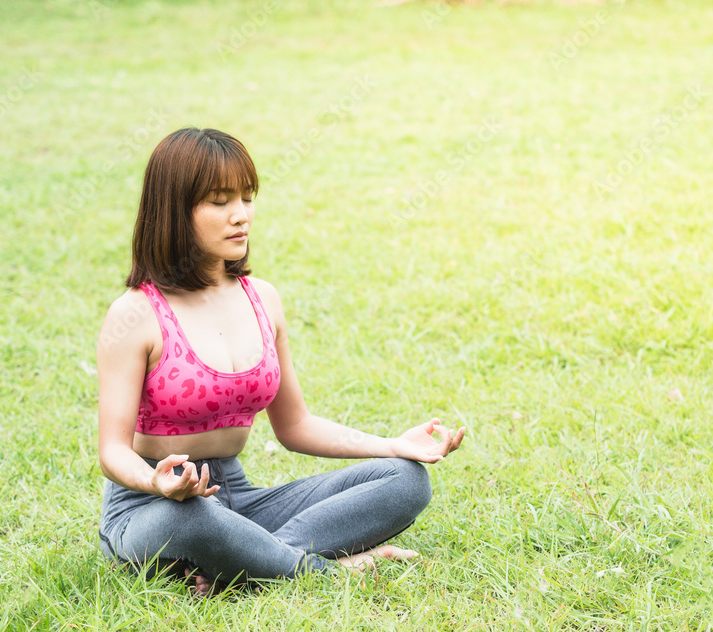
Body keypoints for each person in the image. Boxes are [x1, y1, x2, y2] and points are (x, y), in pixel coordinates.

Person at [96, 127, 465, 594]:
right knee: (199, 520)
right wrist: (159, 483)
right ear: (173, 209)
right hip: (153, 508)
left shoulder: (262, 299)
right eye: (219, 201)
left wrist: (393, 444)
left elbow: (295, 427)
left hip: (239, 498)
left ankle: (247, 562)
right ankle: (324, 569)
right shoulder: (135, 314)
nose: (241, 216)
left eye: (247, 198)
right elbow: (112, 451)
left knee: (405, 481)